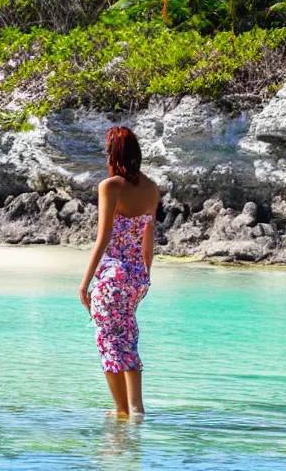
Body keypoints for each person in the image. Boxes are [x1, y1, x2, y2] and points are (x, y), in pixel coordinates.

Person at [79, 126, 160, 419]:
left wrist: (85, 282)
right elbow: (148, 240)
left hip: (112, 278)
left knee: (108, 341)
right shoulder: (152, 188)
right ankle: (137, 408)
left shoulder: (110, 186)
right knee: (128, 338)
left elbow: (104, 237)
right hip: (136, 278)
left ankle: (122, 410)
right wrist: (144, 278)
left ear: (112, 154)